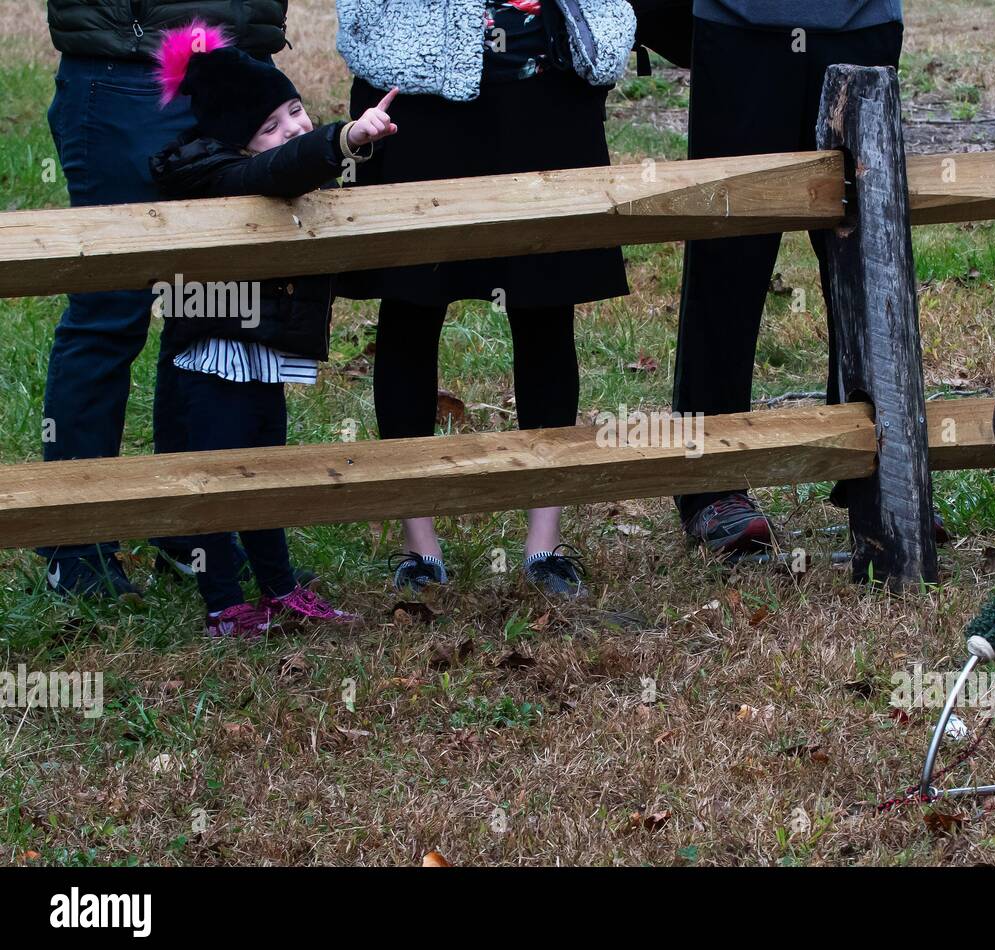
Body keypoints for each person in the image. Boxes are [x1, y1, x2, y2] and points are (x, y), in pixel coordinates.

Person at [336, 0, 636, 597]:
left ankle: (544, 548)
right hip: (416, 101)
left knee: (547, 312)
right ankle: (419, 549)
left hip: (549, 94)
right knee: (410, 310)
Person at [148, 22, 396, 637]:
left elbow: (289, 166)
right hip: (212, 363)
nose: (292, 129)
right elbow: (279, 169)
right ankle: (223, 603)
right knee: (220, 484)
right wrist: (342, 137)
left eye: (295, 111)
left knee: (268, 474)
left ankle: (281, 589)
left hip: (259, 355)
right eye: (270, 126)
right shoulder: (216, 175)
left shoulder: (265, 167)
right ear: (237, 142)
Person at [41, 0, 292, 599]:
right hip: (131, 67)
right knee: (110, 312)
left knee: (211, 312)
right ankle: (75, 545)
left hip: (236, 61)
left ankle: (192, 533)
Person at [671, 0, 904, 553]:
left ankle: (879, 476)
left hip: (861, 22)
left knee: (870, 255)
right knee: (728, 257)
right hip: (738, 25)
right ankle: (712, 484)